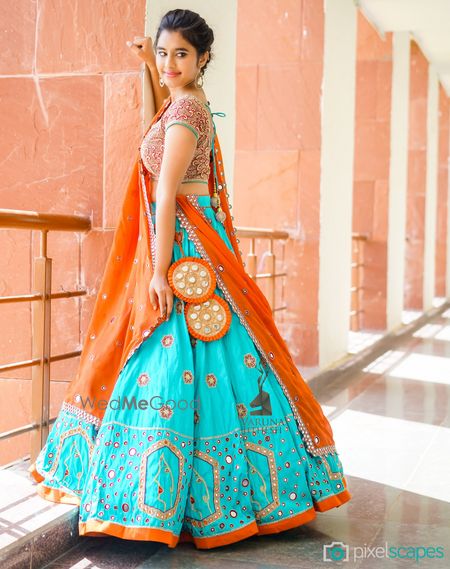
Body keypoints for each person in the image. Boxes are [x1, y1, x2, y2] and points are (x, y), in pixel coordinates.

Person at [28, 9, 352, 550]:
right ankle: (222, 495)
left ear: (203, 58)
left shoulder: (187, 116)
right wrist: (143, 73)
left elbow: (163, 190)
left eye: (180, 54)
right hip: (190, 245)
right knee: (212, 363)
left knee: (174, 357)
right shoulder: (183, 107)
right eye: (163, 53)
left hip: (184, 252)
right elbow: (154, 135)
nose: (169, 63)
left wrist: (157, 275)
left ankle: (160, 499)